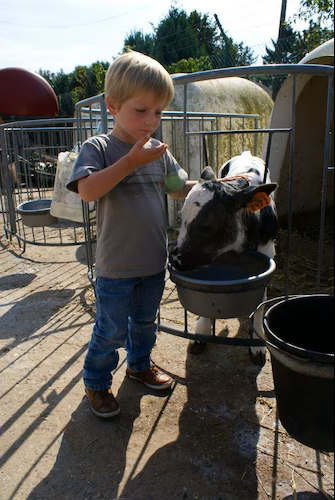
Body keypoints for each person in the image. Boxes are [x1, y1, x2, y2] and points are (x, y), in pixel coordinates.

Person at [67, 51, 197, 419]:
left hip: (152, 261)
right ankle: (96, 382)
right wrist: (130, 162)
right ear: (112, 105)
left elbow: (174, 188)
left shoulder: (157, 152)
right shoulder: (101, 148)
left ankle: (139, 365)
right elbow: (88, 191)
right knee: (109, 330)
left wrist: (212, 185)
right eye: (141, 110)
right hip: (116, 267)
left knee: (144, 323)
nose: (151, 121)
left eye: (158, 113)